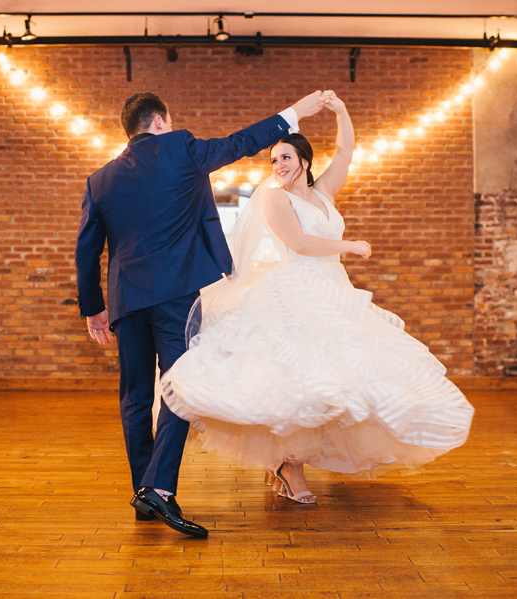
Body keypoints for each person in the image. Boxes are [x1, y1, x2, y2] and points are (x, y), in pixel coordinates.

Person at [160, 93, 474, 504]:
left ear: (304, 161)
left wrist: (342, 110)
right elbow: (298, 243)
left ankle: (290, 463)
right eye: (274, 160)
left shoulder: (323, 192)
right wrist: (351, 246)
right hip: (296, 288)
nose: (279, 167)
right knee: (301, 380)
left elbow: (345, 151)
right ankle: (290, 466)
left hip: (333, 291)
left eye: (286, 158)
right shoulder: (275, 197)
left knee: (342, 379)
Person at [76, 90, 331, 537]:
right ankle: (159, 488)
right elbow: (240, 142)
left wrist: (93, 308)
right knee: (182, 388)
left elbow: (86, 249)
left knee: (136, 396)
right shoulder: (181, 148)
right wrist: (293, 114)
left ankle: (145, 494)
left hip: (124, 299)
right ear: (160, 122)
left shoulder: (101, 180)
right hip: (174, 295)